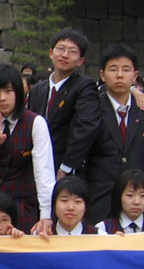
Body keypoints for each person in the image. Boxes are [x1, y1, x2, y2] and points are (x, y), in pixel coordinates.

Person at [84, 44, 144, 225]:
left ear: (135, 75)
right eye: (113, 69)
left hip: (140, 203)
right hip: (100, 201)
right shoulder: (91, 109)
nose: (120, 75)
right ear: (102, 75)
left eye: (126, 69)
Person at [0, 63, 54, 234]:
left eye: (8, 91)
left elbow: (43, 171)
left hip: (21, 204)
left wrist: (46, 214)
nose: (2, 98)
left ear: (18, 92)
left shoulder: (35, 123)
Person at [27, 29, 102, 182]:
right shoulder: (37, 90)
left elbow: (85, 128)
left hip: (66, 169)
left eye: (72, 51)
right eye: (60, 49)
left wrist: (66, 167)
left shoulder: (84, 86)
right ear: (51, 53)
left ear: (80, 61)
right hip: (35, 166)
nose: (65, 55)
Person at [98, 169, 144, 234]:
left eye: (143, 196)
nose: (137, 202)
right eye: (130, 195)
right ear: (119, 196)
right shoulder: (102, 229)